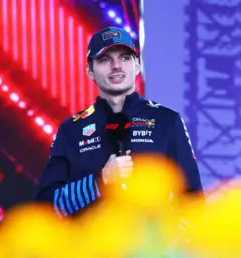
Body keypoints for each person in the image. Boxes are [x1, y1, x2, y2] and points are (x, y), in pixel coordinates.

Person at [36, 27, 204, 218]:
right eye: (105, 59)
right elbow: (45, 210)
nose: (116, 66)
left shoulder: (167, 121)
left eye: (125, 57)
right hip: (91, 247)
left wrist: (166, 248)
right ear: (89, 70)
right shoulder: (71, 129)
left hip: (153, 246)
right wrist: (99, 182)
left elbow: (194, 204)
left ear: (137, 65)